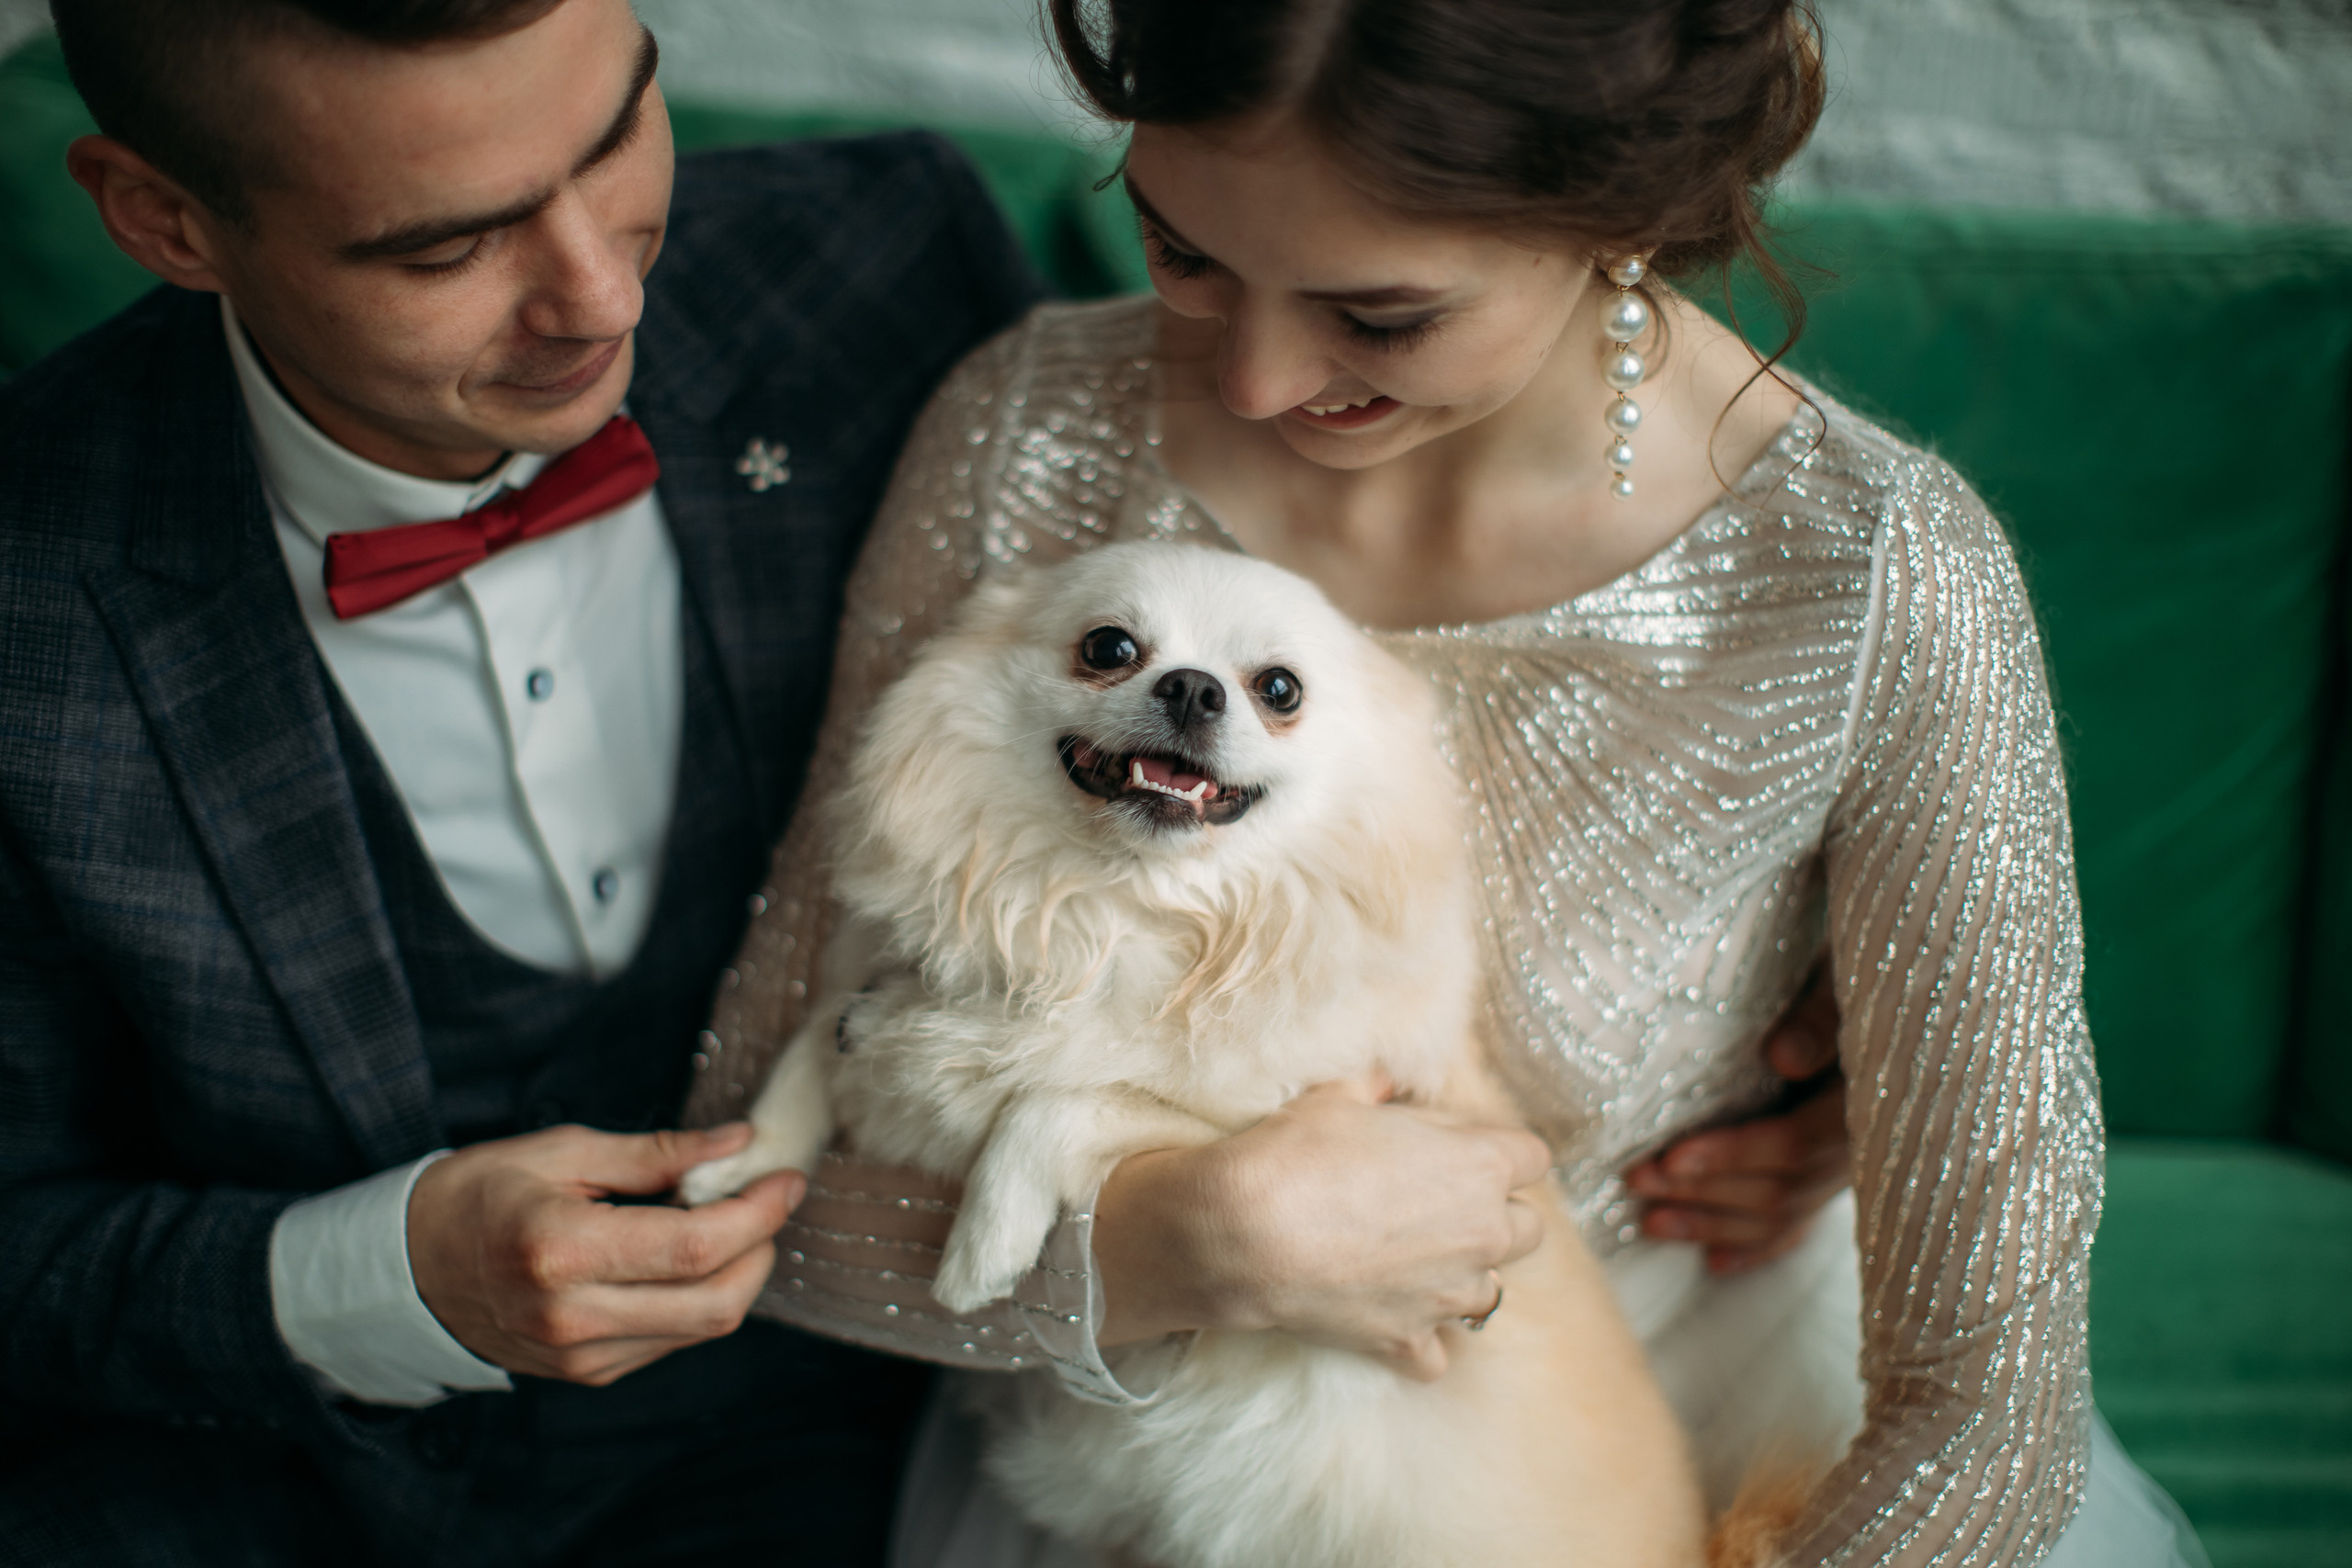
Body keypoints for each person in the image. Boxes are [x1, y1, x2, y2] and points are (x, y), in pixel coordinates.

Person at [692, 1, 2212, 1564]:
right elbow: (744, 1174)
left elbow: (1991, 1391)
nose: (1261, 378)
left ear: (1618, 218)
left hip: (1682, 1406)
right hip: (1123, 1410)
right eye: (1183, 251)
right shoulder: (1025, 429)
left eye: (1380, 315)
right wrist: (1176, 1246)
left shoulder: (1877, 575)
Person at [0, 0, 1046, 1561]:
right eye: (445, 249)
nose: (601, 289)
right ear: (164, 220)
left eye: (618, 130)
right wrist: (373, 1283)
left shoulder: (892, 260)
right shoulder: (28, 585)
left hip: (839, 1431)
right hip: (228, 1484)